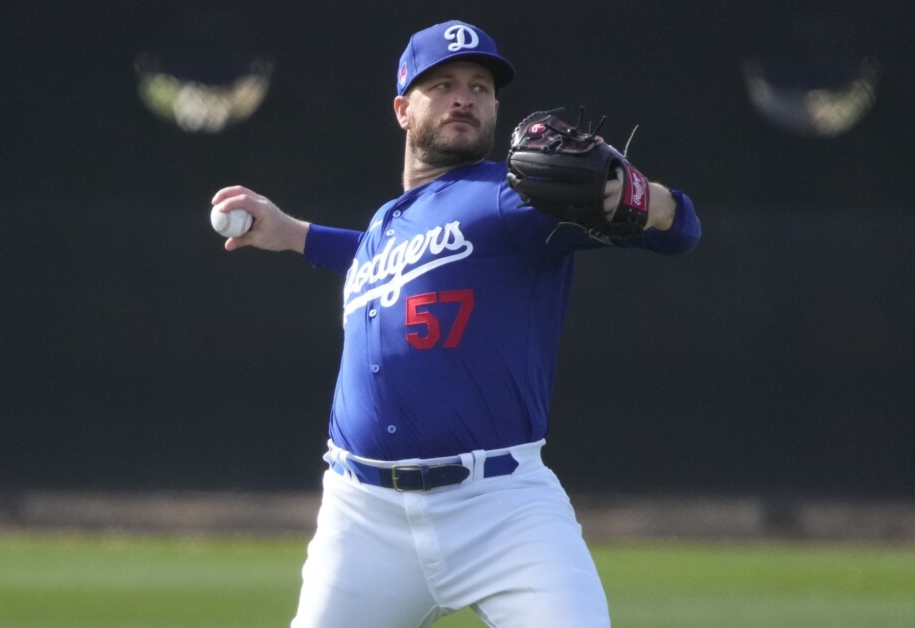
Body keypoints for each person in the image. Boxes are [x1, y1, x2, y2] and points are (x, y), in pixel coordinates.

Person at [211, 20, 700, 628]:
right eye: (442, 84)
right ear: (402, 109)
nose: (464, 97)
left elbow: (680, 232)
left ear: (496, 107)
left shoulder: (520, 197)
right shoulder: (390, 224)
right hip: (362, 517)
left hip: (501, 509)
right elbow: (388, 261)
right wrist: (293, 235)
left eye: (479, 86)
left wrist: (634, 195)